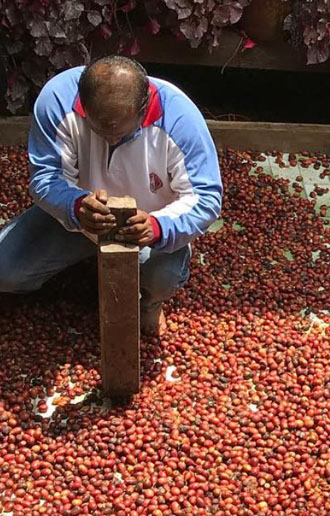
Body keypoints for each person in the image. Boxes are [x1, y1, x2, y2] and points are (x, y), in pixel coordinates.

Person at [0, 56, 222, 335]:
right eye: (99, 128)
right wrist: (76, 206)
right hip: (77, 219)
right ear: (83, 105)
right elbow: (45, 178)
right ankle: (74, 269)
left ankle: (150, 303)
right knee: (4, 271)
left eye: (119, 130)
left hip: (147, 226)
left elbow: (206, 198)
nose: (111, 139)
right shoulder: (57, 100)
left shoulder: (180, 118)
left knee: (162, 278)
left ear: (144, 108)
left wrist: (157, 227)